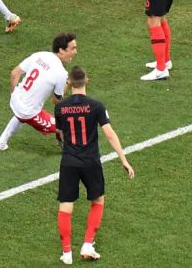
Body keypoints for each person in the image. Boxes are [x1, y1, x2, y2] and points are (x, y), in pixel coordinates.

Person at [54, 66, 134, 265]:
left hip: (69, 162)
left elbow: (60, 133)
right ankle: (88, 244)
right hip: (90, 161)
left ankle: (66, 253)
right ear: (87, 81)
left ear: (69, 82)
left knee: (66, 206)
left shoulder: (60, 107)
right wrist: (123, 159)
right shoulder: (96, 106)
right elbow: (109, 133)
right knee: (97, 201)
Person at [0, 32, 77, 153]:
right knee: (63, 125)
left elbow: (14, 73)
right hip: (30, 112)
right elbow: (56, 101)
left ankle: (0, 143)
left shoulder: (40, 55)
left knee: (20, 115)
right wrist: (67, 83)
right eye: (73, 48)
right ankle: (68, 149)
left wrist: (13, 94)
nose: (75, 52)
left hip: (16, 98)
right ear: (61, 50)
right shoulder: (61, 73)